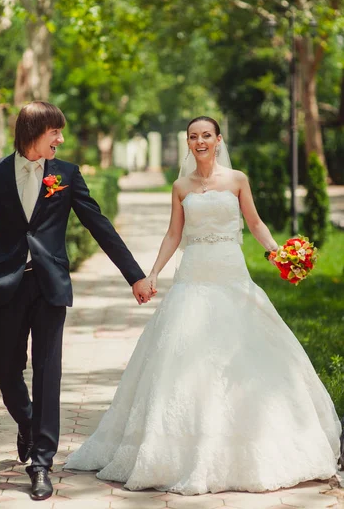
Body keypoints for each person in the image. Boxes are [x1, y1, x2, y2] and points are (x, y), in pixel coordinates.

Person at [65, 116, 341, 495]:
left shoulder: (237, 180)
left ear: (218, 139)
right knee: (184, 353)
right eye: (193, 137)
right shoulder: (180, 186)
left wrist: (280, 254)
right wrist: (153, 274)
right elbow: (174, 234)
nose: (199, 142)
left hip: (232, 273)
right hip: (194, 275)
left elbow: (255, 223)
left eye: (206, 136)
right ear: (188, 143)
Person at [0, 101, 153, 501]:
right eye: (56, 132)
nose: (61, 139)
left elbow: (98, 224)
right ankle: (29, 424)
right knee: (5, 370)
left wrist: (134, 276)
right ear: (35, 131)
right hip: (7, 283)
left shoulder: (66, 174)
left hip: (50, 285)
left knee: (48, 372)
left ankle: (41, 463)